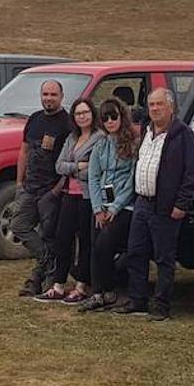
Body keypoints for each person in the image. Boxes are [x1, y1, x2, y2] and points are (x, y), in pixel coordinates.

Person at [113, 88, 194, 321]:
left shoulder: (183, 135)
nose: (155, 109)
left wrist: (181, 204)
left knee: (164, 258)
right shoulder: (146, 130)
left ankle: (161, 304)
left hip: (165, 206)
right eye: (151, 105)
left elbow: (191, 174)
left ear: (171, 107)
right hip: (142, 202)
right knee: (136, 253)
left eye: (160, 104)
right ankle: (137, 299)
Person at [35, 98, 105, 303]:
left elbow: (94, 168)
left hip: (87, 196)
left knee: (85, 241)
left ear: (92, 114)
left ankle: (81, 286)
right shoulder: (72, 137)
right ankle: (58, 284)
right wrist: (77, 167)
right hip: (68, 194)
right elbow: (59, 166)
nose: (82, 116)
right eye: (78, 113)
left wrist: (76, 167)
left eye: (85, 112)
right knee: (62, 238)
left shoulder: (99, 138)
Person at [9, 80, 71, 297]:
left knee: (49, 235)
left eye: (53, 94)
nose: (49, 98)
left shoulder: (67, 123)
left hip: (50, 190)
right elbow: (24, 151)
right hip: (29, 186)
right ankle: (48, 261)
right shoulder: (34, 119)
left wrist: (57, 190)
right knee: (18, 226)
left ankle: (38, 279)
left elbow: (69, 160)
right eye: (45, 94)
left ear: (61, 96)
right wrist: (19, 182)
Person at [79, 96, 139, 313]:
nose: (110, 121)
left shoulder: (132, 144)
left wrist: (115, 207)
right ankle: (98, 293)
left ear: (122, 117)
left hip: (124, 206)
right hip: (102, 205)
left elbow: (133, 180)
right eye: (105, 118)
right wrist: (97, 209)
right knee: (95, 245)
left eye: (114, 116)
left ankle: (111, 288)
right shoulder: (101, 144)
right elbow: (93, 177)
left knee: (106, 243)